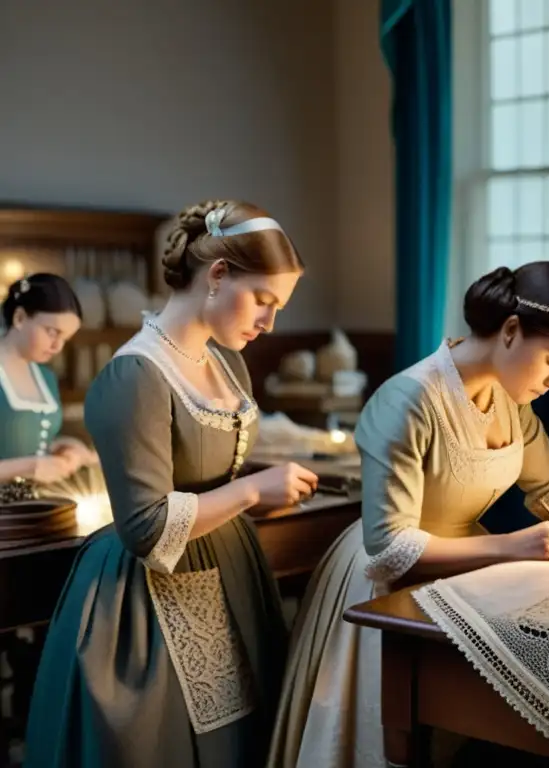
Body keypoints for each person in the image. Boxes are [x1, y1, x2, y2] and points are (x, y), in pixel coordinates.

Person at [268, 262, 549, 768]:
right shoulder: (408, 400)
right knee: (386, 733)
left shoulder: (508, 402)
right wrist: (515, 545)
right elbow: (391, 548)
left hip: (463, 570)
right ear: (510, 331)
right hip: (383, 583)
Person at [24, 200, 319, 768]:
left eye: (278, 308)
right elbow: (146, 527)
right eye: (264, 301)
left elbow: (212, 472)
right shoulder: (134, 374)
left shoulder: (227, 363)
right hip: (149, 593)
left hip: (230, 566)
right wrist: (254, 492)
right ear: (218, 275)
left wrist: (256, 490)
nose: (269, 323)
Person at [0, 273, 97, 500]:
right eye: (52, 332)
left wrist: (62, 448)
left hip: (38, 507)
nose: (57, 346)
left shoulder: (46, 377)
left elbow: (31, 440)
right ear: (20, 318)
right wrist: (29, 466)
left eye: (65, 338)